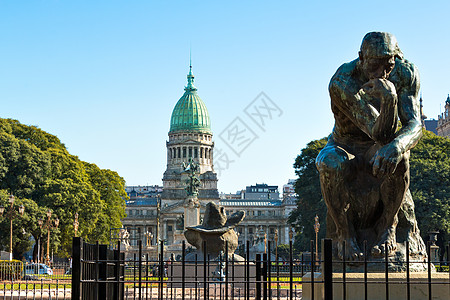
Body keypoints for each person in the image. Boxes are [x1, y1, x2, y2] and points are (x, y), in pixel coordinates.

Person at [316, 32, 424, 260]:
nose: (382, 74)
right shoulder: (342, 81)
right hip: (346, 146)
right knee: (329, 162)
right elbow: (378, 130)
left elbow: (415, 124)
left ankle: (388, 227)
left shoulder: (406, 72)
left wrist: (397, 145)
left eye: (388, 66)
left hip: (380, 145)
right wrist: (390, 99)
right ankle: (345, 234)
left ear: (396, 59)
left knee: (399, 155)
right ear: (361, 58)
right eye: (375, 65)